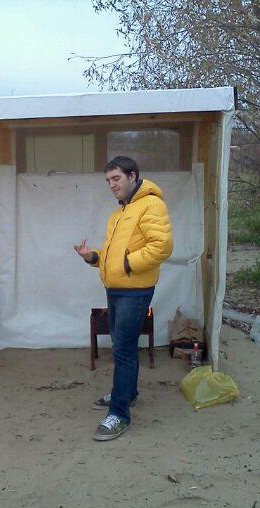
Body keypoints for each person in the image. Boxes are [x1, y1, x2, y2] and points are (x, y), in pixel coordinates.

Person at [74, 156, 173, 441]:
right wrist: (92, 257)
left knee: (123, 350)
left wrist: (128, 264)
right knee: (123, 346)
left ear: (133, 175)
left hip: (135, 290)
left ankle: (119, 414)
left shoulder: (151, 204)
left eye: (116, 178)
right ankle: (127, 393)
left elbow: (162, 246)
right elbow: (112, 253)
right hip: (116, 289)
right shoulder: (119, 213)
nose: (112, 185)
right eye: (108, 180)